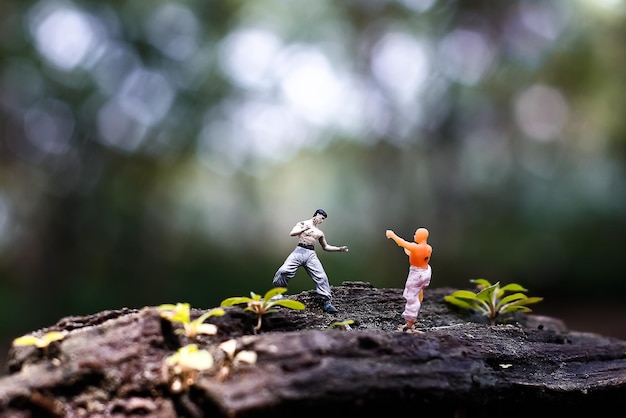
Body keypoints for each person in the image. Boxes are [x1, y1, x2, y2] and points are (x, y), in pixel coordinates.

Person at [272, 209, 349, 313]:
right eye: (321, 218)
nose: (321, 221)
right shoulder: (302, 223)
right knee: (284, 270)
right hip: (299, 251)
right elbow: (292, 233)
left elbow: (325, 247)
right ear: (316, 215)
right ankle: (278, 292)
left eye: (323, 220)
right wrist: (303, 229)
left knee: (321, 276)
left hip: (310, 254)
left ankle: (326, 302)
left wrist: (339, 249)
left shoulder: (319, 232)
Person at [385, 227, 432, 332]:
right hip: (425, 272)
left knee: (411, 297)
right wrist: (409, 250)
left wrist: (392, 235)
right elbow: (415, 254)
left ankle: (409, 323)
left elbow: (402, 243)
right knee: (419, 292)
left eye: (416, 234)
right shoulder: (428, 248)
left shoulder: (416, 248)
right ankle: (414, 315)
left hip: (417, 274)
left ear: (420, 236)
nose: (414, 236)